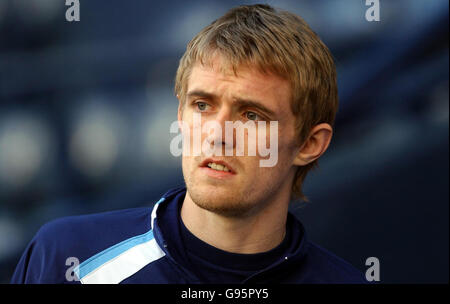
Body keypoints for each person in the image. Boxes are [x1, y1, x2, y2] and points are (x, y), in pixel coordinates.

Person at [11, 4, 366, 284]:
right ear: (180, 116)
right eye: (202, 105)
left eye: (251, 115)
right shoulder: (68, 258)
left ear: (309, 143)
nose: (217, 134)